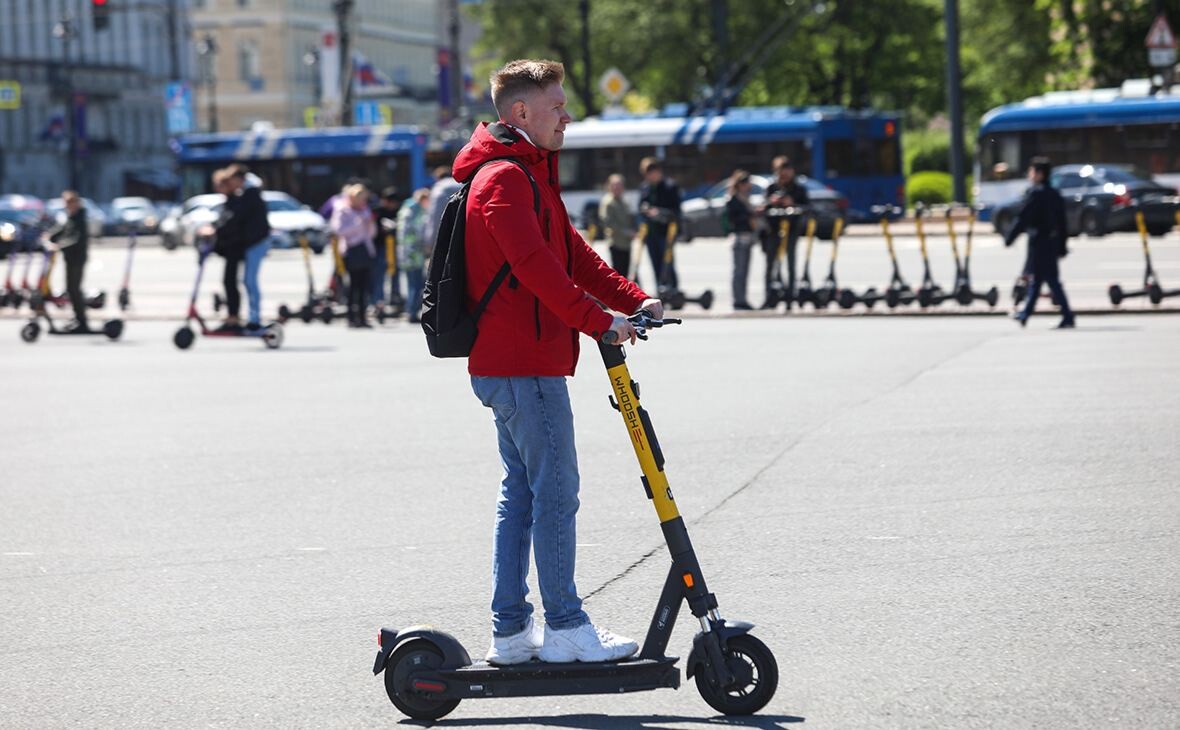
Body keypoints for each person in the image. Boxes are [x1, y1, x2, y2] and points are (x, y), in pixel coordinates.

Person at [456, 58, 663, 666]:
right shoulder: (505, 180)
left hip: (522, 361)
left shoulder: (529, 175)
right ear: (521, 113)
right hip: (522, 365)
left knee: (523, 493)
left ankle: (513, 633)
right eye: (557, 106)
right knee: (555, 493)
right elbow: (535, 270)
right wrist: (601, 322)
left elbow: (572, 255)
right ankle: (566, 624)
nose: (567, 116)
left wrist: (635, 298)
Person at [1004, 156, 1075, 329]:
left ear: (1040, 174)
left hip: (1039, 242)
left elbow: (1023, 218)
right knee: (1042, 280)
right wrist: (1063, 246)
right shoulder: (1054, 194)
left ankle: (1066, 315)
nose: (1030, 175)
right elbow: (1063, 223)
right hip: (1051, 242)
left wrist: (1010, 237)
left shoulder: (1036, 194)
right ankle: (1026, 314)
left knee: (1047, 280)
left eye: (1032, 171)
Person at [209, 165, 270, 331]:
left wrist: (217, 231)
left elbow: (237, 219)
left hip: (255, 243)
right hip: (252, 242)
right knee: (247, 281)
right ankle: (252, 317)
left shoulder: (249, 194)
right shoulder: (247, 193)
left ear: (239, 179)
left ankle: (255, 319)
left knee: (250, 281)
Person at [760, 156, 809, 310]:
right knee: (770, 265)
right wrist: (771, 202)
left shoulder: (798, 188)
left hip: (791, 230)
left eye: (787, 171)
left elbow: (807, 207)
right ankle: (770, 297)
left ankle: (790, 297)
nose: (784, 175)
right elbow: (763, 207)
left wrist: (792, 203)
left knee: (791, 264)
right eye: (781, 172)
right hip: (773, 230)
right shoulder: (772, 188)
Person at [330, 183, 378, 328]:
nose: (362, 201)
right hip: (351, 250)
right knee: (352, 285)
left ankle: (363, 317)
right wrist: (357, 225)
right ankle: (351, 317)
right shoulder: (343, 210)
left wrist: (370, 224)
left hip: (365, 249)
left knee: (364, 286)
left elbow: (371, 233)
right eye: (359, 198)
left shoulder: (365, 210)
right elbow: (338, 230)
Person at [45, 190, 90, 332]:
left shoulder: (80, 218)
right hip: (70, 258)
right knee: (70, 289)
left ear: (76, 203)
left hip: (77, 259)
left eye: (70, 203)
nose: (67, 206)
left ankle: (82, 321)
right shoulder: (70, 217)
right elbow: (60, 230)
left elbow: (77, 239)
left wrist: (59, 246)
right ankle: (77, 318)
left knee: (74, 290)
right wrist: (48, 236)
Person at [637, 157, 682, 291]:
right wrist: (646, 211)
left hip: (667, 231)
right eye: (648, 174)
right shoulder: (645, 187)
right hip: (651, 232)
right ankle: (660, 289)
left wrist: (660, 212)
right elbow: (640, 207)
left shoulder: (670, 186)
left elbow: (676, 211)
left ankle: (673, 290)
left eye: (653, 172)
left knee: (667, 262)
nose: (651, 176)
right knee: (655, 262)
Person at [395, 187, 431, 322]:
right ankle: (411, 311)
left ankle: (411, 310)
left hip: (407, 253)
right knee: (415, 284)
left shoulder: (406, 209)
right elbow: (417, 231)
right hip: (413, 254)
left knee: (412, 283)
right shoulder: (415, 211)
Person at [724, 170, 758, 310]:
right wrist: (749, 215)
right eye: (744, 183)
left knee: (745, 270)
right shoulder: (733, 199)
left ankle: (743, 298)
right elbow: (732, 220)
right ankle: (738, 300)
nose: (747, 186)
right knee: (739, 271)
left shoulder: (746, 197)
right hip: (738, 237)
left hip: (748, 236)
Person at [597, 174, 636, 277]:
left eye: (619, 185)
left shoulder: (625, 201)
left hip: (626, 243)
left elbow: (630, 219)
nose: (617, 188)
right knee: (618, 273)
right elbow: (608, 222)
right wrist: (625, 232)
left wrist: (633, 230)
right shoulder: (608, 202)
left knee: (626, 272)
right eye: (614, 185)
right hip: (615, 242)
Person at [374, 187, 403, 313]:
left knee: (395, 274)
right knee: (380, 275)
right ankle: (379, 300)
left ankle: (395, 297)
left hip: (395, 247)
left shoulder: (400, 211)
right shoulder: (377, 210)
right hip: (381, 247)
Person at [424, 165, 462, 246]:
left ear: (437, 178)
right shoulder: (462, 185)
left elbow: (435, 216)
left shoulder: (439, 189)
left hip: (446, 238)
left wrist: (430, 242)